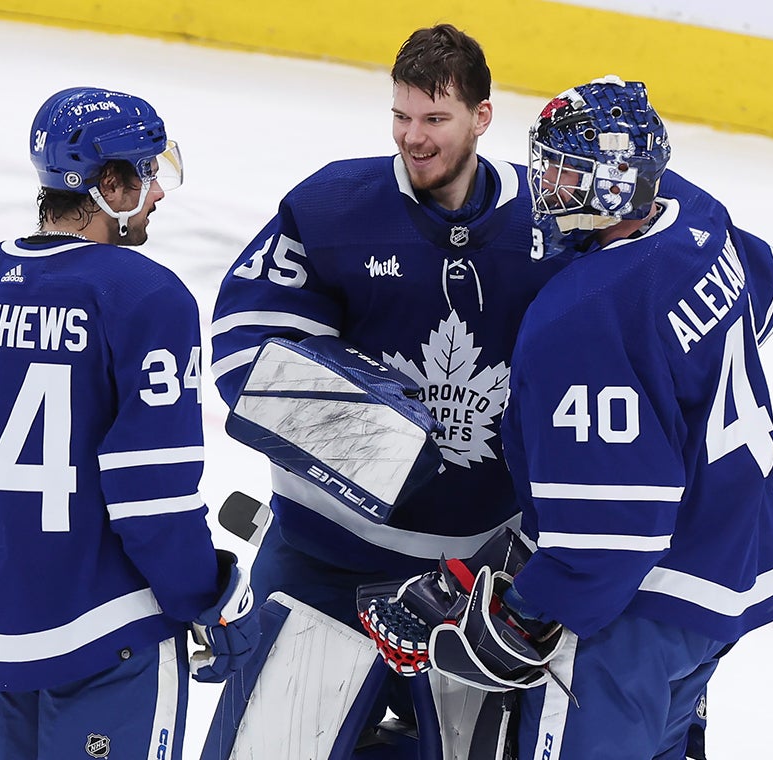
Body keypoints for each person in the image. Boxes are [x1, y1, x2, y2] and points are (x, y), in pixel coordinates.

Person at [205, 23, 569, 757]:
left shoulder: (550, 222)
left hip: (473, 584)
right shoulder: (335, 207)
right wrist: (379, 445)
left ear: (482, 117)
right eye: (401, 116)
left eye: (435, 119)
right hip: (321, 564)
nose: (413, 137)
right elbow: (241, 349)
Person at [0, 87, 258, 760]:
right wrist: (208, 597)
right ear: (110, 184)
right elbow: (153, 498)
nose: (159, 192)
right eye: (148, 173)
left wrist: (13, 576)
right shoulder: (148, 297)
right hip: (107, 639)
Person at [491, 76, 773, 759]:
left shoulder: (580, 319)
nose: (547, 185)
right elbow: (768, 288)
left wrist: (525, 610)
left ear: (616, 182)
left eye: (568, 171)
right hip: (728, 568)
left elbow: (611, 538)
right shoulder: (697, 213)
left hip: (638, 610)